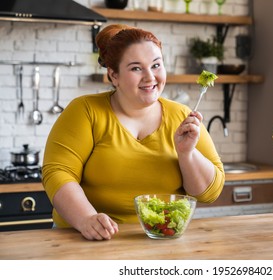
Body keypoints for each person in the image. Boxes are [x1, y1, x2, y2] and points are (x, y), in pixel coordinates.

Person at [42, 24, 225, 241]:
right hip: (83, 239)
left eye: (156, 65)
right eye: (136, 68)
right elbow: (58, 173)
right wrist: (86, 219)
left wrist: (188, 154)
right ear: (114, 75)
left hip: (160, 239)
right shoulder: (85, 111)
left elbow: (209, 193)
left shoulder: (182, 116)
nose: (150, 77)